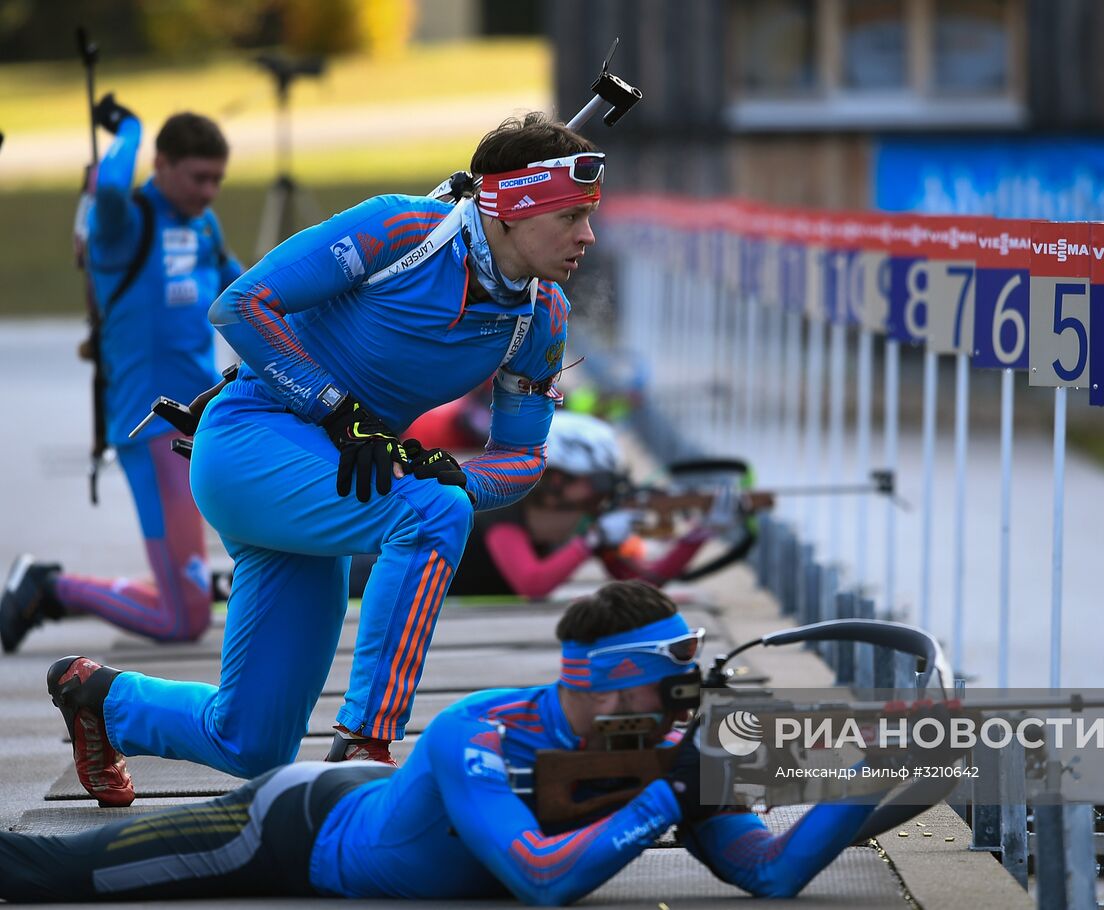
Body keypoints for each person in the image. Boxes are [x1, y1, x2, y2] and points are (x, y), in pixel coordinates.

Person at [45, 112, 599, 809]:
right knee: (431, 513)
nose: (588, 235)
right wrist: (342, 411)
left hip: (336, 481)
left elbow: (520, 458)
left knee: (251, 744)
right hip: (250, 443)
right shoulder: (400, 230)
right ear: (511, 210)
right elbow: (240, 306)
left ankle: (98, 698)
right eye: (572, 215)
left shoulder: (541, 315)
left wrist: (457, 471)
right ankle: (367, 745)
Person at [3, 582, 879, 903]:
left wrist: (889, 773)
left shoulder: (670, 745)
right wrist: (666, 797)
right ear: (609, 685)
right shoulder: (479, 732)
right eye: (673, 679)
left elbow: (770, 869)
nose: (691, 699)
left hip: (350, 810)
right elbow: (539, 879)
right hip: (288, 829)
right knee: (52, 877)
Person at [1, 96, 242, 653]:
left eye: (218, 180)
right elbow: (108, 186)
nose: (208, 192)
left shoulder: (204, 225)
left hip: (199, 429)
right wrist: (129, 128)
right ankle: (52, 588)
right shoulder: (123, 221)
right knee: (184, 621)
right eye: (198, 177)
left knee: (187, 598)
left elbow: (250, 290)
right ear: (160, 165)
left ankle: (53, 588)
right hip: (151, 428)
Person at [348, 410, 740, 600]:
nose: (602, 492)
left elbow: (639, 578)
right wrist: (592, 540)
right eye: (596, 481)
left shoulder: (580, 517)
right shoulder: (502, 510)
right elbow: (532, 584)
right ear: (557, 479)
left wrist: (700, 535)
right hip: (376, 574)